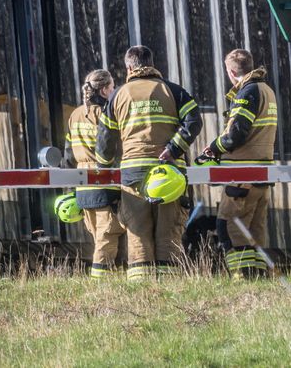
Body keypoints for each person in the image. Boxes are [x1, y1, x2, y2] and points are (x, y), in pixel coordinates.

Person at [96, 46, 202, 280]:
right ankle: (170, 284)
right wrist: (173, 148)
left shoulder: (118, 95)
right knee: (169, 229)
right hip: (169, 173)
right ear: (152, 63)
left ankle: (142, 286)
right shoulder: (173, 91)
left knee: (137, 231)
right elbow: (194, 121)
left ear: (129, 67)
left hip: (133, 172)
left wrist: (104, 167)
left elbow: (105, 138)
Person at [201, 48, 278, 278]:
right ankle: (259, 276)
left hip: (242, 174)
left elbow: (236, 134)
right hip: (262, 173)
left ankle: (242, 276)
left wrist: (214, 148)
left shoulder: (247, 93)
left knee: (230, 227)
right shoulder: (266, 90)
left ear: (231, 71)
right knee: (255, 229)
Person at [65, 69, 123, 278]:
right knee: (107, 236)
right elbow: (115, 147)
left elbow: (68, 155)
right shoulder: (108, 113)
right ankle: (100, 281)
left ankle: (109, 277)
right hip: (105, 182)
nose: (115, 90)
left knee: (98, 236)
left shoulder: (75, 114)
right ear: (105, 89)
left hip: (83, 184)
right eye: (113, 86)